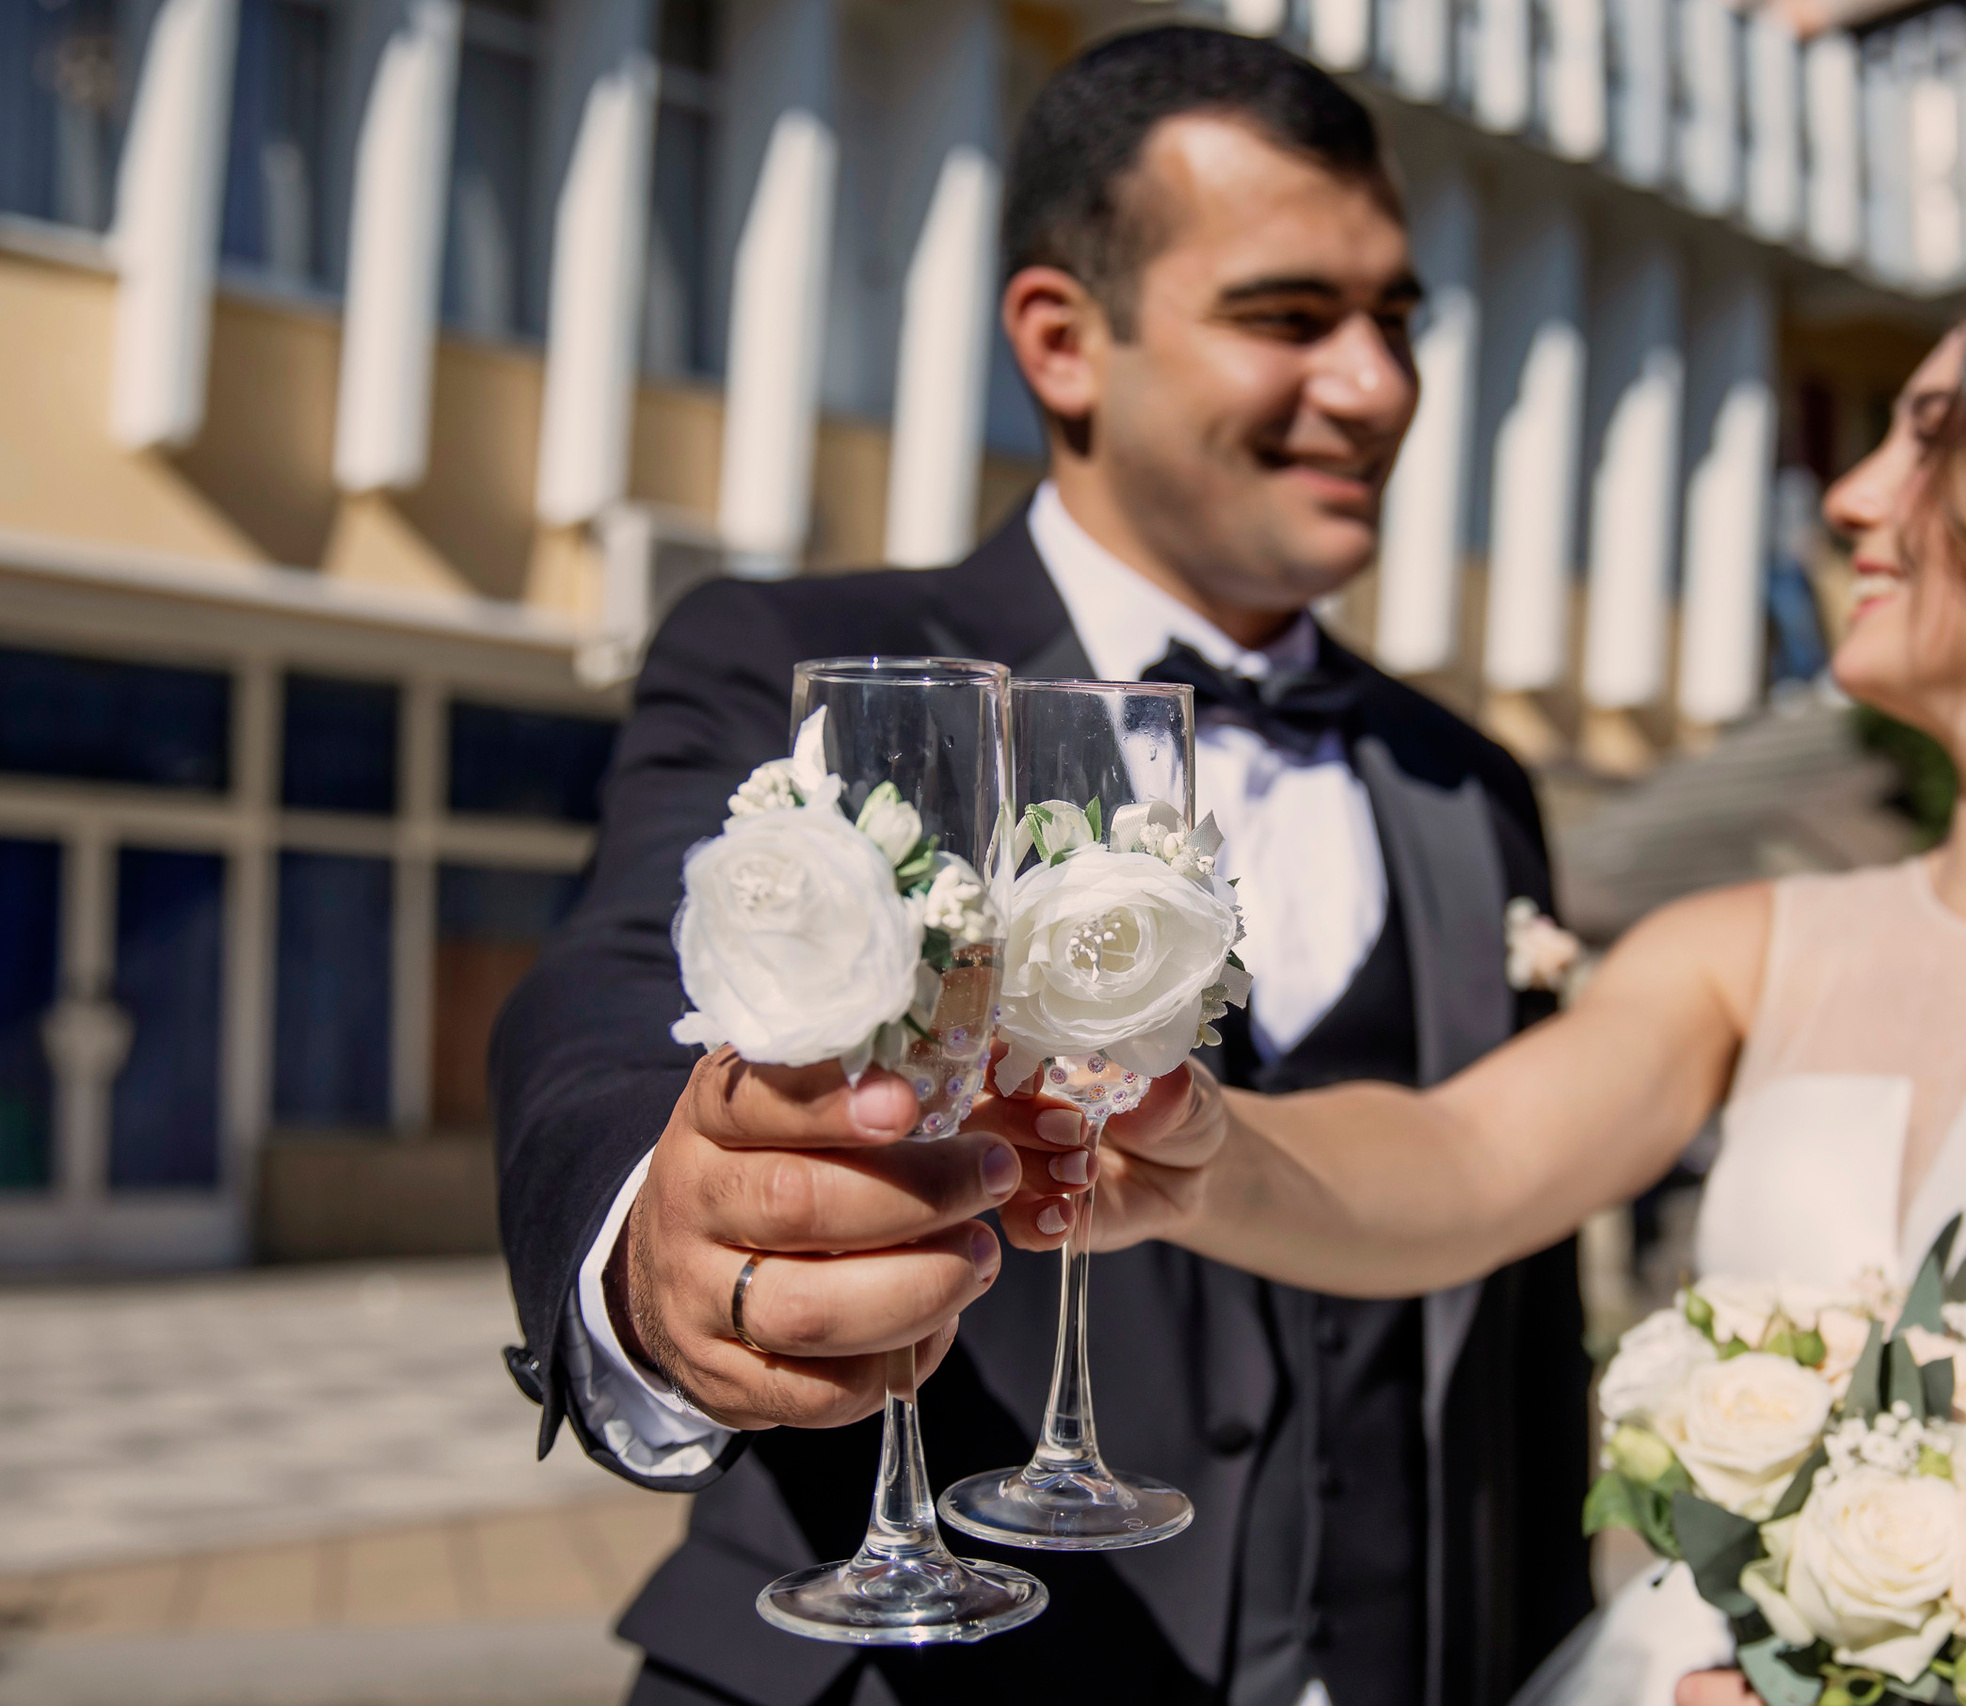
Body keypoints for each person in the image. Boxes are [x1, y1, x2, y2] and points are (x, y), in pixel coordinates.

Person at [981, 248, 1966, 1704]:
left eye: (1938, 436)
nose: (1858, 494)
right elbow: (1458, 1160)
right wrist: (1199, 1155)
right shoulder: (1747, 945)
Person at [490, 25, 1590, 1706]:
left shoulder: (1469, 782)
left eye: (1396, 322)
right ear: (1064, 341)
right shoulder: (799, 660)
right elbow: (605, 999)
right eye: (1289, 317)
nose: (1375, 385)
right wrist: (661, 1263)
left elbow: (1511, 1323)